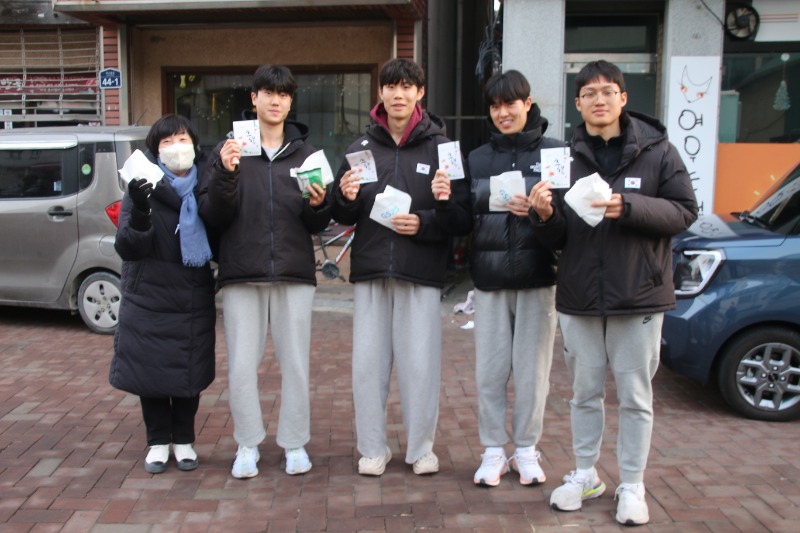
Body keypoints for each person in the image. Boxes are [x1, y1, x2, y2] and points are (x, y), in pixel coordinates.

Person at [529, 60, 698, 526]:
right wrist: (543, 215)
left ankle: (632, 484)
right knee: (583, 393)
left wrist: (629, 207)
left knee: (635, 395)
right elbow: (558, 236)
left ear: (623, 98)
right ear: (577, 103)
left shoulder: (658, 151)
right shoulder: (562, 157)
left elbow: (685, 212)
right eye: (589, 93)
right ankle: (585, 474)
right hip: (580, 294)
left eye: (608, 92)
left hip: (638, 293)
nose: (599, 100)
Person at [332, 58, 470, 476]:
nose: (398, 94)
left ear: (419, 93)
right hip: (372, 270)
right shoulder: (360, 148)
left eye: (407, 87)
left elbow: (462, 219)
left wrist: (426, 221)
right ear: (381, 92)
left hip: (420, 271)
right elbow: (343, 212)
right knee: (367, 369)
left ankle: (421, 450)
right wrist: (345, 195)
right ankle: (372, 449)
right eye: (391, 86)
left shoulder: (443, 148)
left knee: (420, 367)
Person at [197, 65, 330, 479]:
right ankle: (247, 443)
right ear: (253, 98)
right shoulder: (229, 149)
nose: (276, 101)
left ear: (290, 102)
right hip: (242, 271)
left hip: (293, 271)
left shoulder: (307, 155)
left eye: (284, 94)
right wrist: (226, 172)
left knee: (296, 365)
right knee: (241, 366)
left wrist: (318, 203)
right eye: (268, 93)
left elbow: (318, 221)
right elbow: (212, 213)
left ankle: (295, 443)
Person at [466, 70, 560, 487]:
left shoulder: (556, 153)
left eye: (511, 104)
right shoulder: (477, 158)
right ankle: (492, 450)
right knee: (489, 372)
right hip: (490, 279)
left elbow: (567, 221)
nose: (503, 112)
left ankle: (525, 449)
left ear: (528, 104)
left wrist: (543, 213)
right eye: (495, 106)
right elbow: (463, 218)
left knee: (533, 373)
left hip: (539, 277)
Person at [110, 114, 216, 474]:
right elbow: (128, 246)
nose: (176, 148)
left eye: (182, 139)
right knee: (150, 372)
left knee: (189, 371)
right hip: (148, 296)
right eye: (166, 142)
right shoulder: (142, 185)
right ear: (155, 150)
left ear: (195, 145)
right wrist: (141, 211)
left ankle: (184, 440)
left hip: (191, 295)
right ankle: (157, 441)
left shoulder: (206, 185)